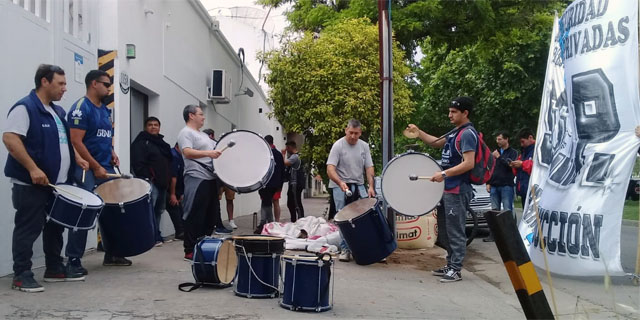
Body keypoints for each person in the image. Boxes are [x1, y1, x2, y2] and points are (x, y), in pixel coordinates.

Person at [3, 64, 87, 292]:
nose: (65, 89)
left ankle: (54, 267)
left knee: (55, 227)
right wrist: (32, 168)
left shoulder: (58, 112)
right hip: (31, 184)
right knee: (28, 228)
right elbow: (11, 139)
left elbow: (64, 141)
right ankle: (21, 274)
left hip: (56, 185)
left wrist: (77, 157)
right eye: (60, 83)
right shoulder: (26, 108)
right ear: (44, 82)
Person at [407, 96, 478, 282]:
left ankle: (456, 269)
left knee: (456, 231)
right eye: (449, 111)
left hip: (458, 189)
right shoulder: (456, 132)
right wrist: (418, 131)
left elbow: (469, 163)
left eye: (454, 112)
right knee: (446, 231)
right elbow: (436, 143)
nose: (450, 115)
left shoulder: (468, 134)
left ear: (465, 113)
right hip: (448, 189)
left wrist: (444, 174)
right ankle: (450, 264)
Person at [67, 70, 131, 269]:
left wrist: (111, 151)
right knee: (83, 212)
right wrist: (95, 167)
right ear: (94, 84)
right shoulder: (80, 108)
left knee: (113, 211)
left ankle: (112, 253)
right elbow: (76, 141)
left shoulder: (104, 109)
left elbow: (104, 135)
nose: (109, 87)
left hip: (106, 167)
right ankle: (74, 260)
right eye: (106, 84)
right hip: (87, 169)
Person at [177, 105, 232, 261]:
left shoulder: (203, 135)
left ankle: (202, 246)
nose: (203, 117)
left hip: (210, 179)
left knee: (210, 215)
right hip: (196, 178)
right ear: (191, 115)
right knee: (195, 214)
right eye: (201, 114)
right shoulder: (186, 133)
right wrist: (209, 153)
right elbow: (187, 152)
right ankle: (189, 249)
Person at [326, 119, 375, 262]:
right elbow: (330, 168)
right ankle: (345, 249)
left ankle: (361, 246)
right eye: (351, 133)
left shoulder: (364, 146)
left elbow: (369, 167)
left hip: (358, 184)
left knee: (363, 216)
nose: (353, 136)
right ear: (346, 130)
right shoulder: (338, 146)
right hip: (340, 184)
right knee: (343, 218)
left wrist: (370, 186)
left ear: (360, 133)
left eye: (356, 134)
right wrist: (340, 182)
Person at [131, 117, 173, 246]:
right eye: (150, 125)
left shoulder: (162, 144)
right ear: (145, 127)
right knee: (149, 210)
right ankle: (150, 238)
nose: (153, 127)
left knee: (158, 210)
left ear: (159, 128)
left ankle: (156, 235)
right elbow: (137, 163)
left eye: (156, 125)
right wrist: (148, 178)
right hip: (150, 183)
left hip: (162, 183)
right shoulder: (141, 142)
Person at [484, 131, 518, 242]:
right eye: (497, 139)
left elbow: (510, 166)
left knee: (507, 210)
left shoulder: (513, 153)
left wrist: (499, 157)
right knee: (494, 210)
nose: (498, 141)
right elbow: (489, 168)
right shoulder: (495, 152)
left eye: (500, 139)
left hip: (506, 185)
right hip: (494, 185)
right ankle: (494, 235)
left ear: (506, 139)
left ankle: (510, 234)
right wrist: (488, 182)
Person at [203, 128, 237, 229]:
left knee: (230, 199)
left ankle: (231, 220)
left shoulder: (222, 146)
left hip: (227, 177)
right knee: (215, 201)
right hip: (217, 178)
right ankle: (215, 222)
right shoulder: (211, 147)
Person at [255, 135, 285, 233]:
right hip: (275, 184)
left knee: (266, 202)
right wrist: (280, 185)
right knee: (270, 202)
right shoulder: (278, 154)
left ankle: (266, 223)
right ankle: (271, 223)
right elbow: (282, 170)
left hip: (265, 183)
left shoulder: (264, 153)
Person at [511, 128, 536, 208]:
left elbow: (538, 167)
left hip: (534, 190)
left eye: (523, 141)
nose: (521, 144)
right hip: (524, 189)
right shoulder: (523, 152)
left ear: (530, 137)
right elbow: (517, 172)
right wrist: (514, 166)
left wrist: (522, 164)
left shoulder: (539, 149)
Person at [282, 141, 305, 223]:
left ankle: (300, 220)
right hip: (293, 183)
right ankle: (294, 220)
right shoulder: (297, 156)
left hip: (295, 184)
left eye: (287, 148)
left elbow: (284, 163)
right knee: (291, 203)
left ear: (291, 147)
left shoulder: (295, 157)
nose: (287, 150)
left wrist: (283, 154)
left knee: (296, 203)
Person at [166, 143, 184, 240]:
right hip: (168, 189)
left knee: (180, 209)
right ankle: (180, 232)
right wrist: (173, 194)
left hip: (176, 190)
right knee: (174, 207)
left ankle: (182, 231)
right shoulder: (174, 156)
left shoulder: (180, 156)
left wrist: (180, 193)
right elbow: (173, 177)